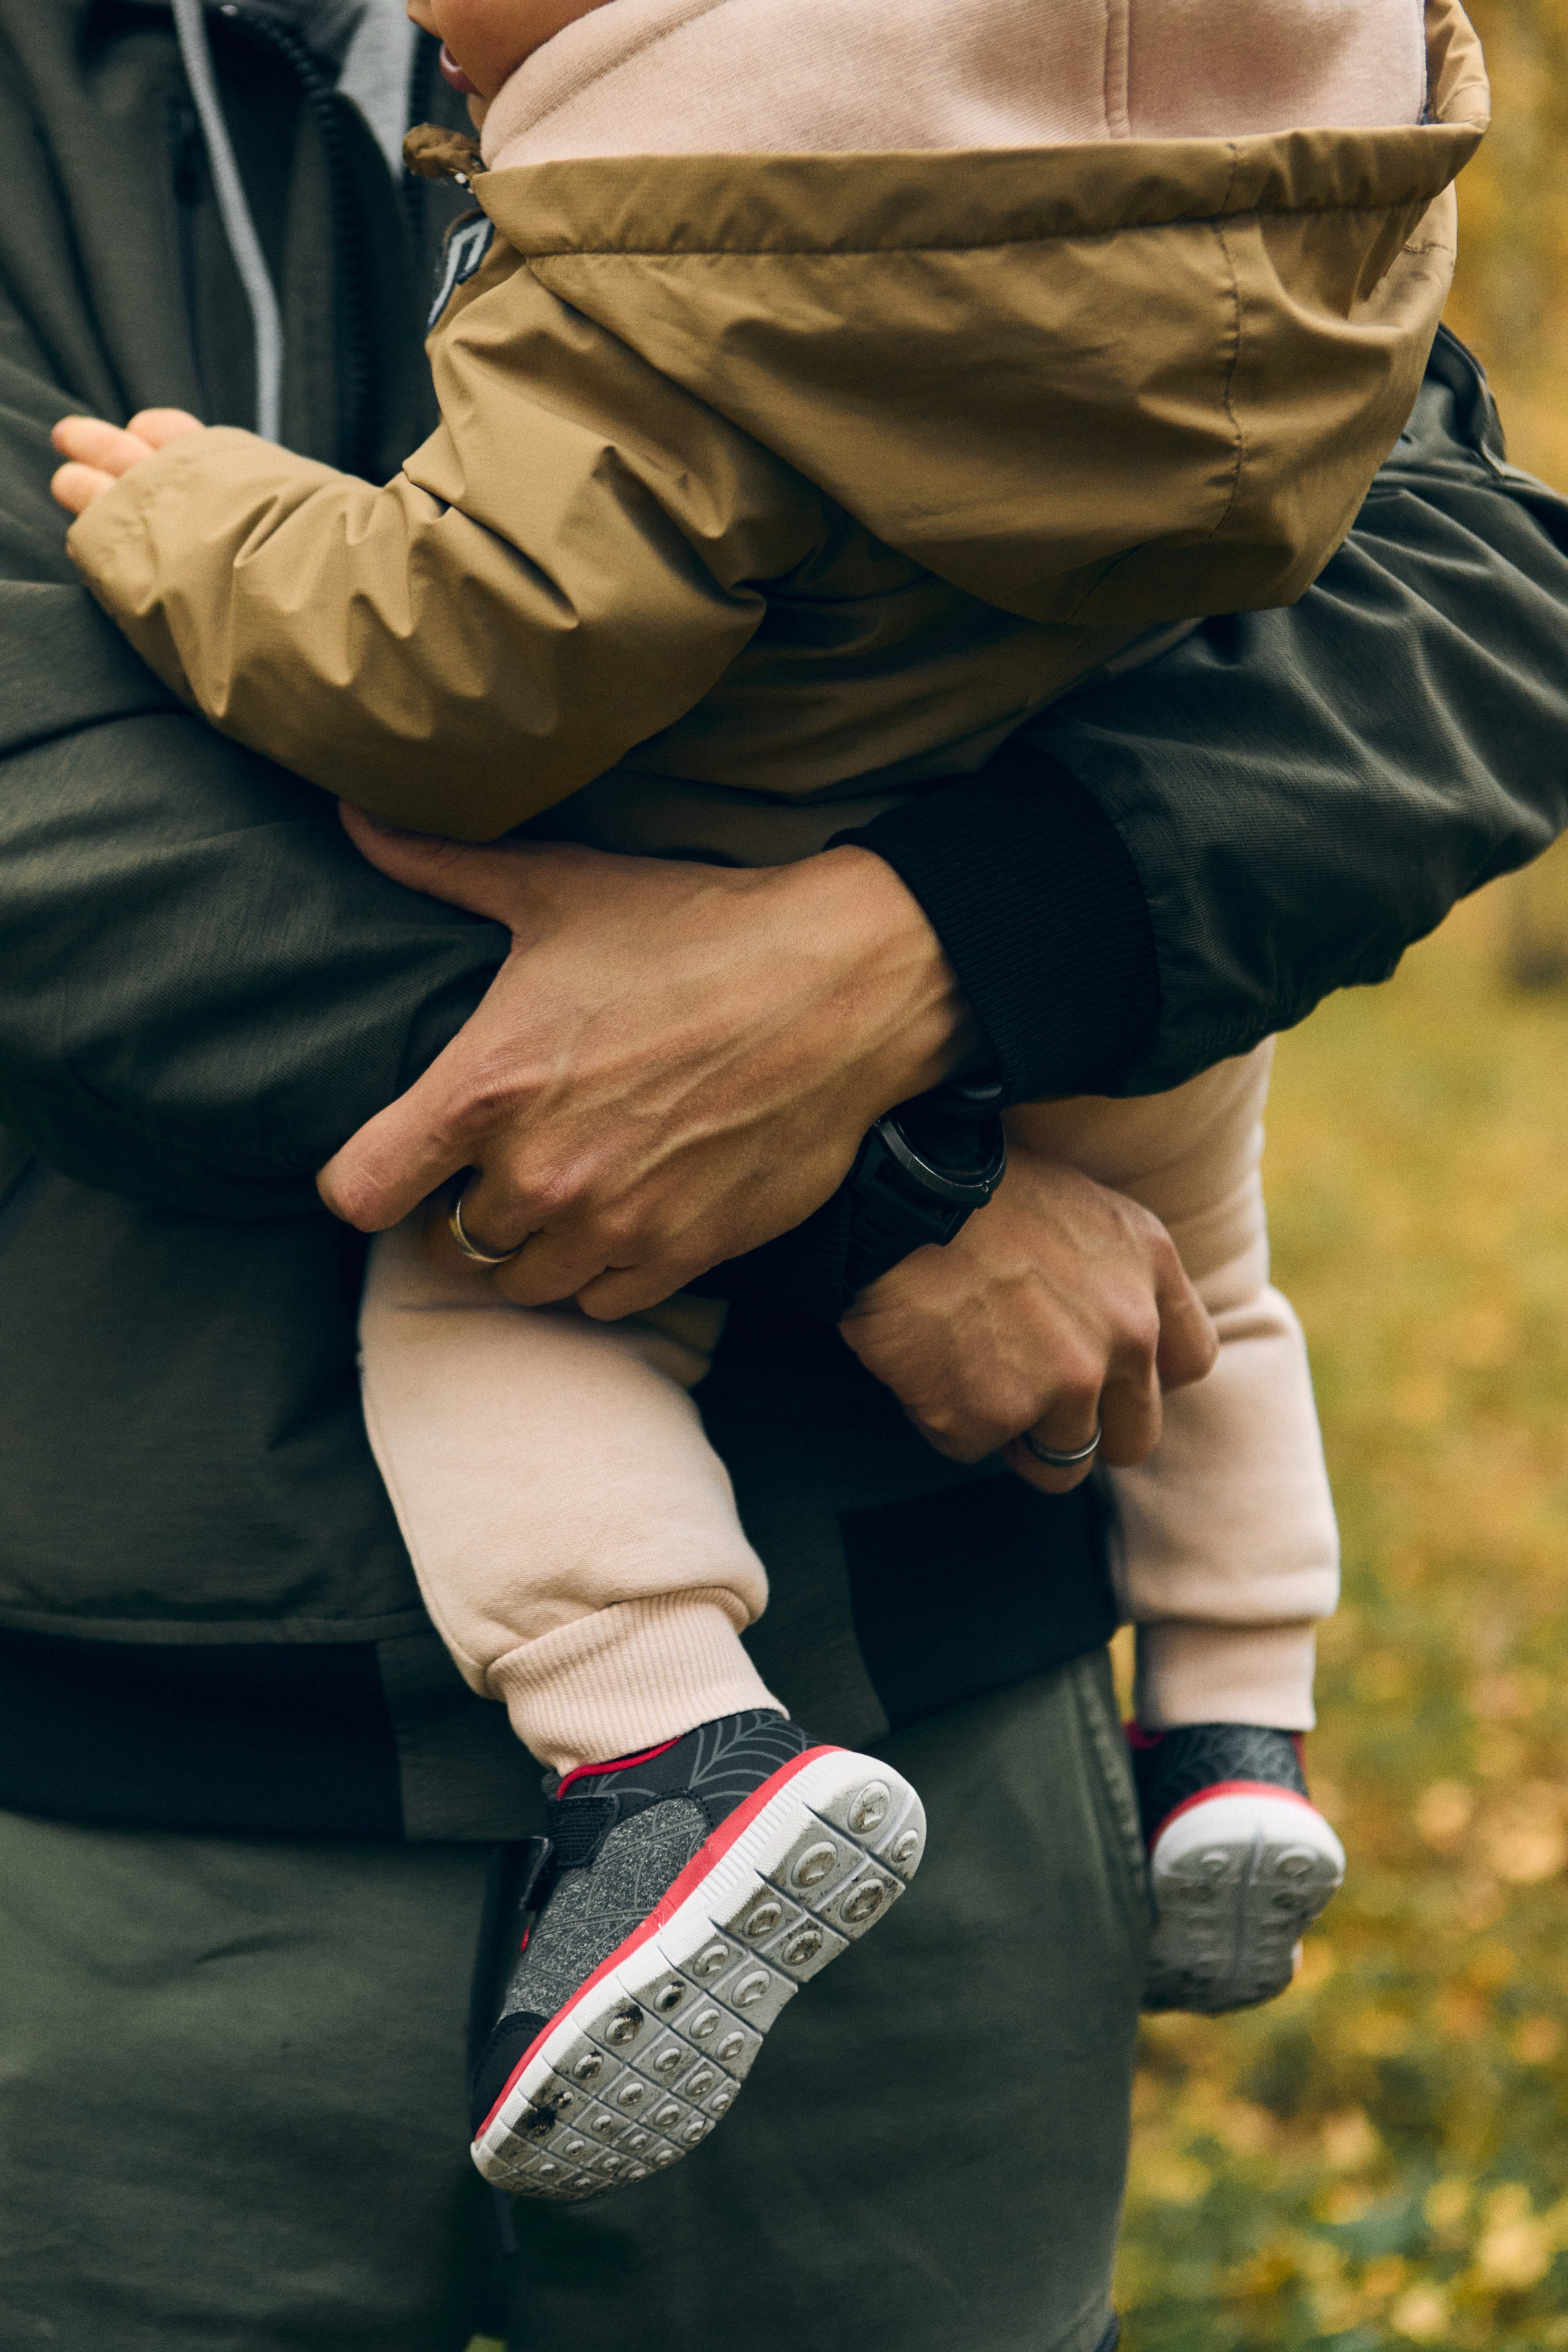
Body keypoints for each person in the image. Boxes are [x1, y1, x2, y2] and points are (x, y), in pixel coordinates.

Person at [4, 2, 1568, 2346]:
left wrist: (951, 949)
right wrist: (894, 1202)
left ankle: (728, 1755)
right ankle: (1242, 1715)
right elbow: (52, 832)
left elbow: (1469, 578)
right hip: (136, 1806)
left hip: (918, 1692)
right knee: (1217, 1272)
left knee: (559, 1315)